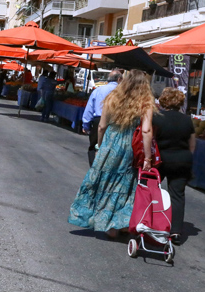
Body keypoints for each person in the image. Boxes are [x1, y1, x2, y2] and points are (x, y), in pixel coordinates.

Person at [69, 70, 155, 238]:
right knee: (123, 184)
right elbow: (146, 130)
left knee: (103, 181)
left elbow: (101, 126)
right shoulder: (145, 102)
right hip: (129, 146)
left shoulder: (112, 98)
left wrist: (100, 146)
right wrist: (147, 157)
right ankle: (118, 224)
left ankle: (103, 221)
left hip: (109, 143)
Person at [153, 87, 197, 244]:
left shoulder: (157, 118)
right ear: (180, 102)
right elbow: (192, 144)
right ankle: (176, 232)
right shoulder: (187, 120)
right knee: (177, 195)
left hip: (161, 159)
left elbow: (150, 139)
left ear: (163, 100)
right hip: (182, 160)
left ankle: (152, 223)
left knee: (151, 190)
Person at [83, 68, 123, 166]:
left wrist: (86, 125)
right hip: (116, 122)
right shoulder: (122, 92)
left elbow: (89, 109)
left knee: (94, 146)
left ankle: (94, 168)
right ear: (119, 79)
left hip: (98, 121)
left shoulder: (98, 90)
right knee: (112, 148)